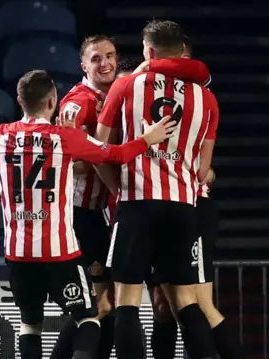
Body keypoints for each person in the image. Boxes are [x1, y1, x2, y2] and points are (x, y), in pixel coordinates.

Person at [0, 69, 178, 359]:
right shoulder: (65, 138)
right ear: (52, 101)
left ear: (20, 101)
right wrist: (148, 138)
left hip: (18, 253)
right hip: (60, 253)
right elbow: (115, 154)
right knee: (88, 317)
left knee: (30, 325)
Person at [94, 20, 219, 359]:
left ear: (148, 52)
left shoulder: (126, 87)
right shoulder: (207, 98)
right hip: (183, 207)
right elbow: (204, 170)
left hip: (137, 202)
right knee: (185, 301)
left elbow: (98, 149)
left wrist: (117, 188)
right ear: (182, 51)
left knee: (127, 299)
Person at [137, 36, 247, 359]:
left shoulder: (201, 98)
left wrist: (206, 173)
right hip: (157, 208)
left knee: (199, 304)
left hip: (192, 207)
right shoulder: (141, 92)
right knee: (162, 306)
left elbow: (203, 170)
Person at [53, 34, 119, 359]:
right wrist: (104, 157)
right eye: (96, 59)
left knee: (110, 306)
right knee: (92, 306)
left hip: (108, 216)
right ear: (83, 65)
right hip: (83, 216)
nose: (105, 63)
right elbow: (69, 165)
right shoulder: (77, 103)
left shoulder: (120, 95)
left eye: (110, 56)